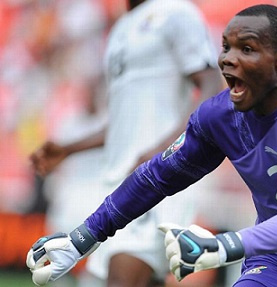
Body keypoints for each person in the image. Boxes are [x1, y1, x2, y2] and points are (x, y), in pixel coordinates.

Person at [27, 4, 277, 287]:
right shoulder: (217, 118)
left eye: (247, 49)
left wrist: (223, 246)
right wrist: (82, 238)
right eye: (225, 47)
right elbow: (155, 179)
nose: (228, 59)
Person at [28, 0, 223, 286]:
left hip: (155, 182)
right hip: (115, 184)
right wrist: (69, 149)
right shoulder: (121, 27)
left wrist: (165, 151)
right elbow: (124, 119)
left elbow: (211, 86)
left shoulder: (176, 12)